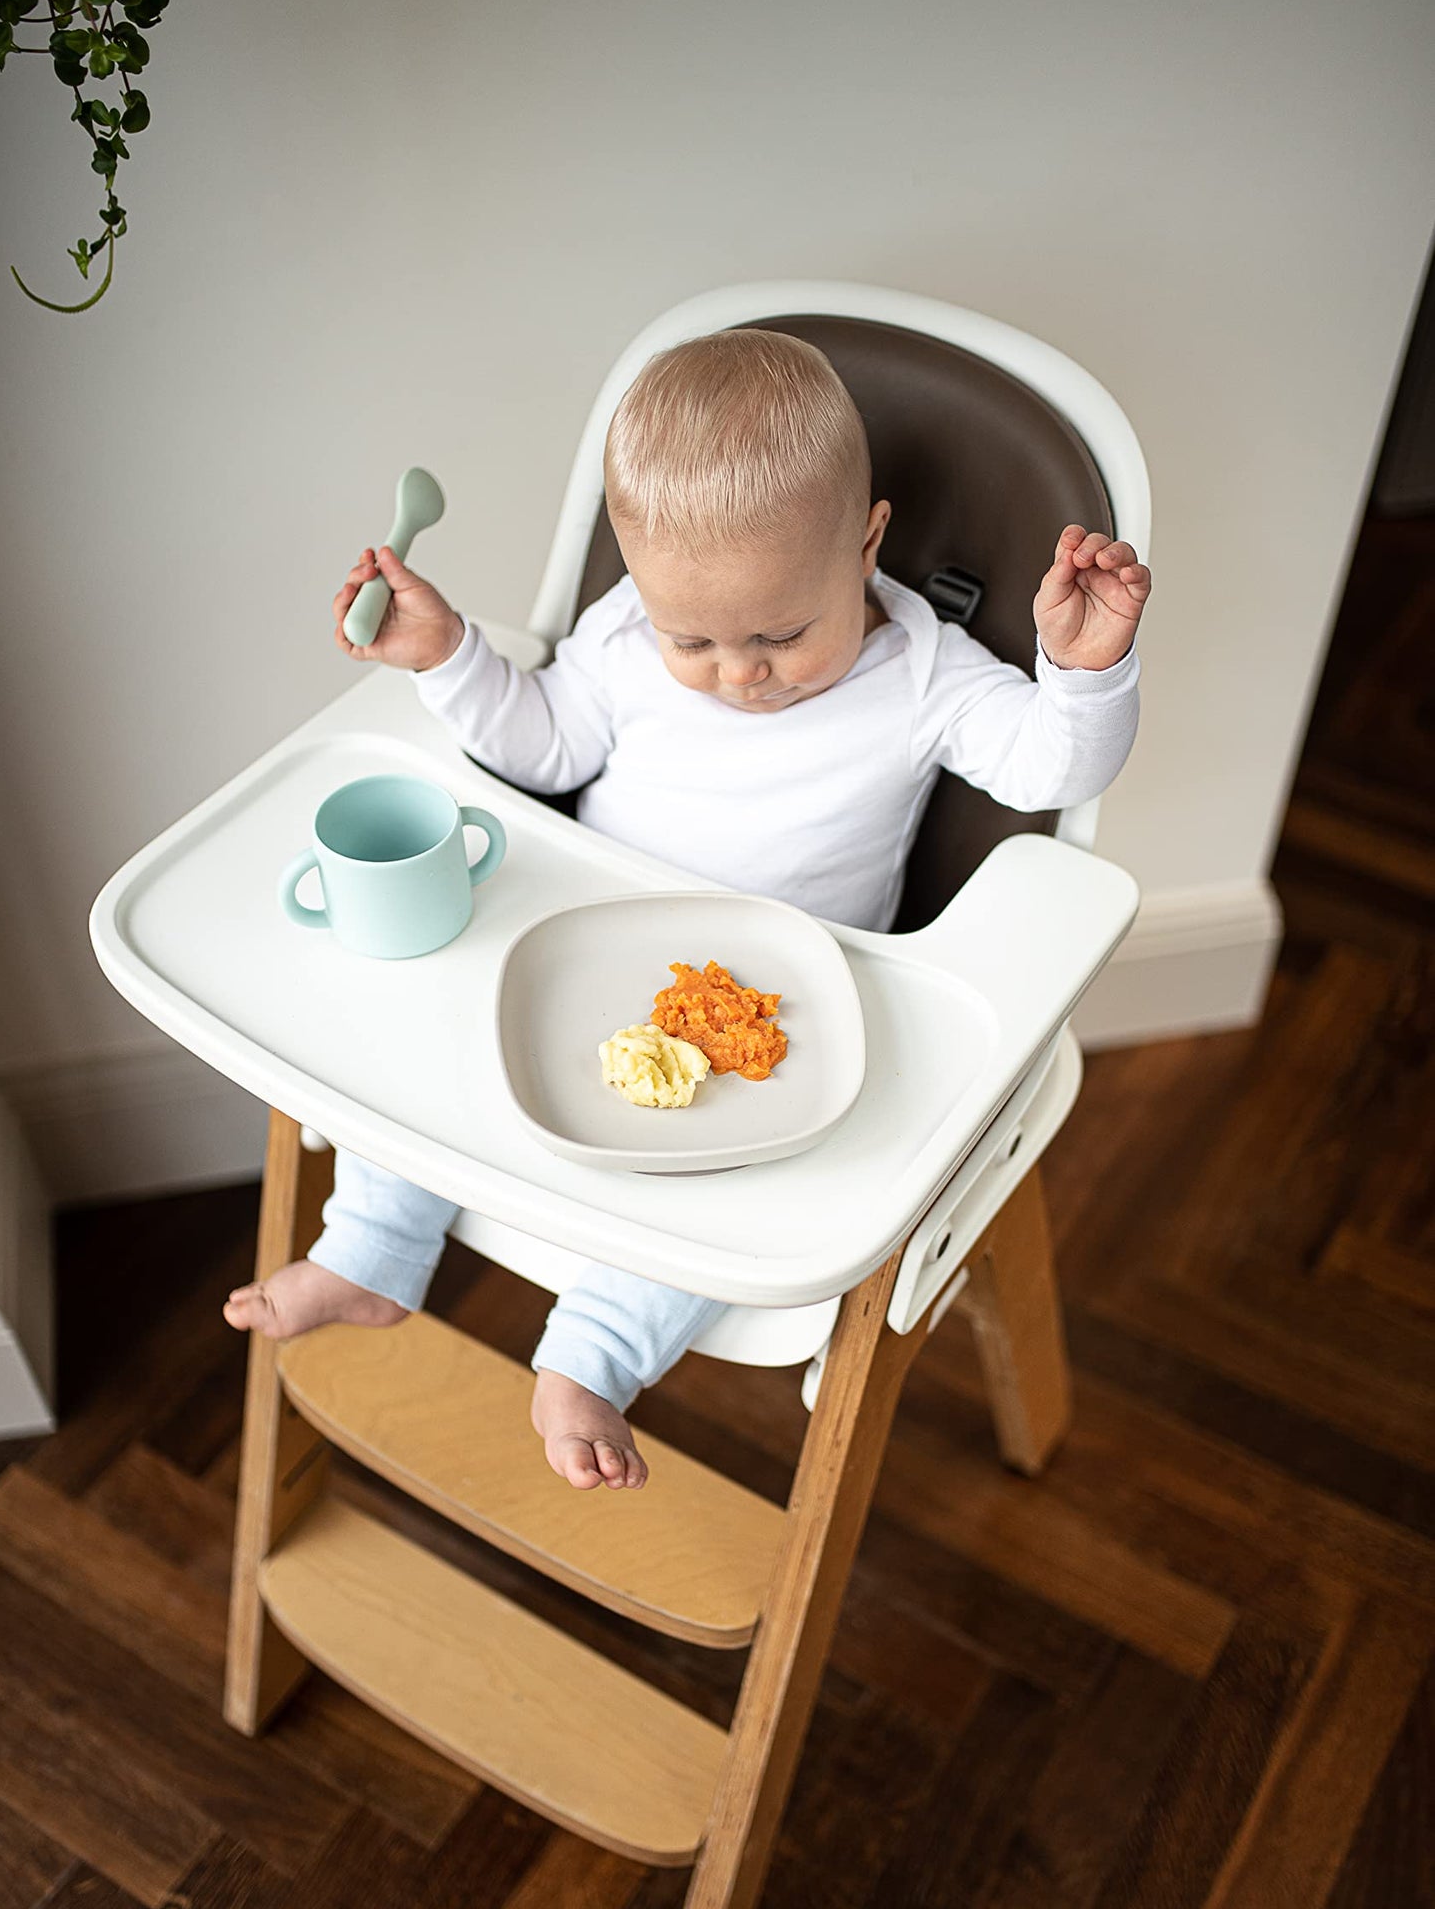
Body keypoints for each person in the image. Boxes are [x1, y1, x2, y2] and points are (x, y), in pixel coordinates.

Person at [225, 328, 1150, 1493]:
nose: (738, 673)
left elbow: (1052, 771)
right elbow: (544, 740)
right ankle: (369, 1248)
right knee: (424, 1051)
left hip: (765, 1011)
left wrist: (1083, 669)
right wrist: (445, 653)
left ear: (867, 543)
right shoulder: (620, 638)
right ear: (641, 588)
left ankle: (591, 1356)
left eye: (780, 634)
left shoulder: (924, 674)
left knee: (734, 1186)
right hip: (576, 951)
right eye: (692, 638)